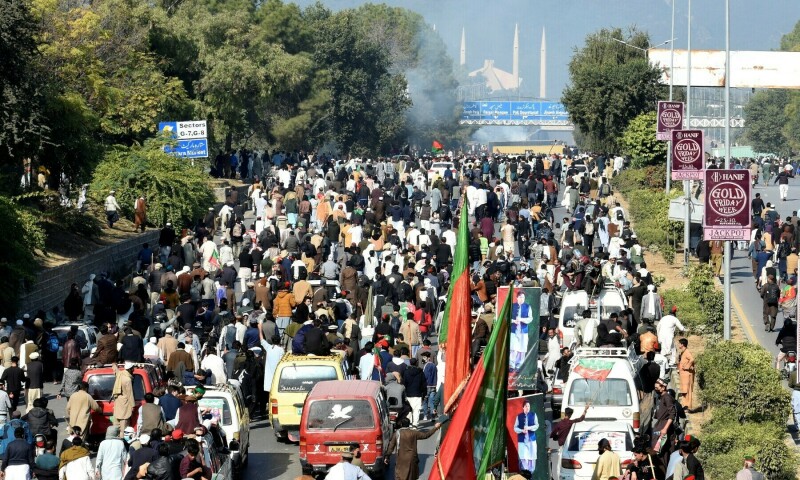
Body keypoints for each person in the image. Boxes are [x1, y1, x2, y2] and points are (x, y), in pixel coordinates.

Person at [514, 399, 539, 473]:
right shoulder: (519, 416)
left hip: (531, 440)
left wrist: (529, 428)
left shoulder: (533, 415)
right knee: (523, 457)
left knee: (532, 457)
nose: (527, 407)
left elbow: (537, 425)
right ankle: (525, 472)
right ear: (523, 407)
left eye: (528, 406)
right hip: (522, 441)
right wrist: (522, 430)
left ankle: (531, 472)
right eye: (526, 406)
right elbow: (515, 428)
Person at [510, 291, 533, 372]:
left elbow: (530, 318)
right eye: (520, 297)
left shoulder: (527, 307)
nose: (522, 299)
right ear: (517, 298)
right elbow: (506, 318)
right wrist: (513, 321)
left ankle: (519, 365)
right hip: (514, 330)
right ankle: (512, 365)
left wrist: (522, 320)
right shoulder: (512, 306)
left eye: (523, 297)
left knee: (522, 349)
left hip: (523, 331)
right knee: (513, 348)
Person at [112, 362, 136, 433]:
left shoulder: (120, 374)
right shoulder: (127, 379)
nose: (133, 370)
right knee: (124, 429)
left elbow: (116, 370)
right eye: (132, 369)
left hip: (117, 404)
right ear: (130, 369)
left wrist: (114, 365)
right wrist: (133, 406)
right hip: (125, 406)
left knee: (116, 428)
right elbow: (130, 394)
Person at [676, 338, 695, 411]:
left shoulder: (687, 352)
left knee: (687, 390)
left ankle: (687, 406)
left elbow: (692, 359)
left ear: (682, 344)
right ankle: (684, 405)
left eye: (679, 344)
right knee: (684, 391)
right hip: (683, 375)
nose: (678, 345)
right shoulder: (682, 352)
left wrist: (687, 367)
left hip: (687, 375)